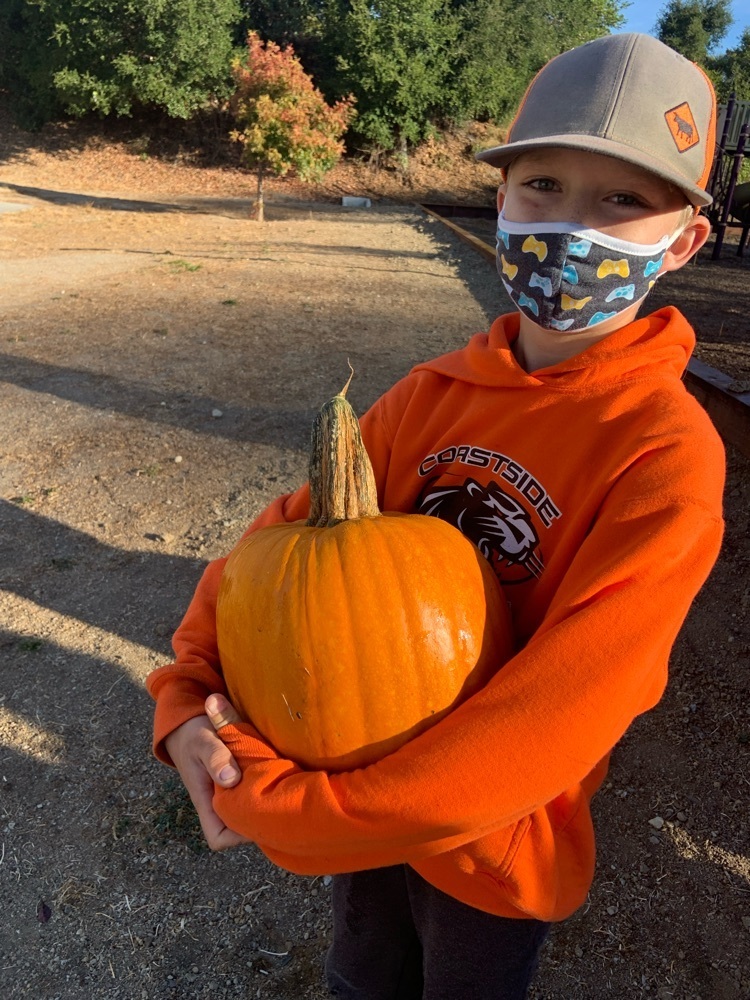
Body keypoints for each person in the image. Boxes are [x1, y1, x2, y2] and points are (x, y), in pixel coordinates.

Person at [146, 32, 725, 999]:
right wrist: (182, 700)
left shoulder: (666, 456)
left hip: (493, 851)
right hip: (354, 785)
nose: (570, 227)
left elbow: (565, 711)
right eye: (542, 184)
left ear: (683, 241)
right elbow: (275, 547)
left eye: (623, 198)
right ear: (500, 198)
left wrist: (287, 809)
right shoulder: (425, 399)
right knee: (361, 977)